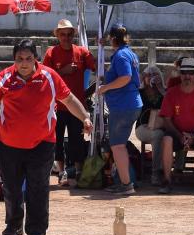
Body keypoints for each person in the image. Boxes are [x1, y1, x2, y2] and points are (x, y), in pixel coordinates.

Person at [0, 39, 92, 235]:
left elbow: (69, 100)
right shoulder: (3, 79)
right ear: (14, 60)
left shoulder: (50, 76)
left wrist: (85, 117)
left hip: (42, 143)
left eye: (28, 58)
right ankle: (13, 225)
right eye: (20, 59)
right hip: (9, 144)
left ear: (36, 58)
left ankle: (37, 230)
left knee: (38, 187)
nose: (24, 63)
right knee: (11, 187)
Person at [42, 19, 96, 186]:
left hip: (77, 106)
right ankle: (62, 171)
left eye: (69, 34)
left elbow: (98, 69)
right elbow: (44, 77)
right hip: (57, 106)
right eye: (62, 34)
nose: (66, 37)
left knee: (77, 140)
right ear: (57, 35)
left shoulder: (82, 52)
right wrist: (62, 71)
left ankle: (79, 172)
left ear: (73, 35)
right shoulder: (51, 53)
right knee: (56, 140)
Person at [157, 57, 194, 194]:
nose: (187, 76)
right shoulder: (171, 93)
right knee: (166, 139)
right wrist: (179, 135)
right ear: (180, 74)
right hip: (178, 134)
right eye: (184, 72)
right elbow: (166, 119)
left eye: (190, 73)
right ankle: (166, 180)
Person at [98, 23, 142, 195]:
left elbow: (125, 77)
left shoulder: (121, 55)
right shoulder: (128, 52)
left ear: (113, 38)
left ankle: (126, 184)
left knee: (117, 146)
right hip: (128, 104)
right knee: (119, 145)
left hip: (123, 105)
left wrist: (106, 87)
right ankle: (124, 181)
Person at [135, 64, 165, 186]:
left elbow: (172, 104)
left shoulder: (164, 92)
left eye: (155, 74)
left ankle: (175, 170)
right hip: (143, 127)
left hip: (162, 126)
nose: (152, 77)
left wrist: (160, 88)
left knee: (169, 135)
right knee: (158, 135)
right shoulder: (139, 92)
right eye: (149, 74)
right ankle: (155, 173)